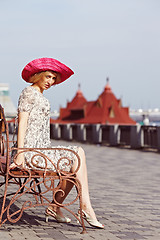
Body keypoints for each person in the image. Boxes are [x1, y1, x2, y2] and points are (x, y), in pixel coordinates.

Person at [10, 58, 104, 229]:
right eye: (47, 77)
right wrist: (20, 153)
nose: (50, 82)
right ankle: (83, 206)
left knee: (76, 157)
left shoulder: (39, 95)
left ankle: (57, 207)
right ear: (38, 75)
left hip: (43, 148)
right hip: (31, 151)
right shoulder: (29, 92)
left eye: (53, 79)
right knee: (76, 156)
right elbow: (22, 123)